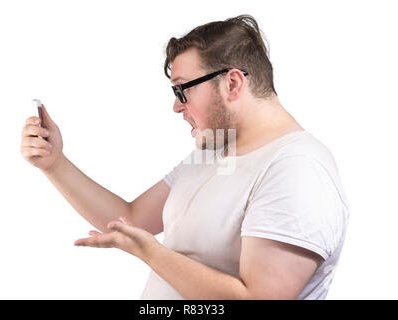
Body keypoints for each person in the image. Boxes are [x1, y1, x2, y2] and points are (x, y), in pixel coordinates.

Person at [20, 14, 350, 300]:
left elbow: (258, 297)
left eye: (183, 90)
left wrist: (150, 253)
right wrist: (54, 163)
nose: (176, 106)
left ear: (232, 83)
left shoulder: (298, 169)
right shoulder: (213, 151)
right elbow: (130, 218)